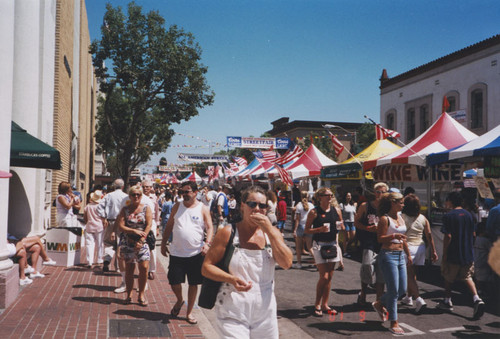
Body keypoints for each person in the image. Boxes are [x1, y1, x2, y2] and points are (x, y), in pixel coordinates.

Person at [201, 185, 292, 338]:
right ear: (242, 206)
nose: (257, 209)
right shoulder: (228, 232)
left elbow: (286, 263)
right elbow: (206, 267)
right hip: (232, 307)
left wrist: (269, 230)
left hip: (265, 310)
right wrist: (231, 278)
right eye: (252, 204)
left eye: (262, 206)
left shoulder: (272, 234)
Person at [160, 181, 214, 324]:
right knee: (174, 282)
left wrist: (207, 244)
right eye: (182, 192)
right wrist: (163, 242)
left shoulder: (202, 208)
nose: (184, 194)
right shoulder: (177, 206)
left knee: (193, 284)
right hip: (177, 252)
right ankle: (179, 300)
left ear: (195, 192)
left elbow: (209, 227)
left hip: (195, 253)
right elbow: (169, 225)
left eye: (187, 191)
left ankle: (189, 313)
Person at [437, 191, 485, 319]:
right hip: (467, 252)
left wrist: (445, 253)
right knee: (467, 276)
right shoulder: (469, 215)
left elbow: (448, 236)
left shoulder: (449, 216)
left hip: (453, 252)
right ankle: (476, 298)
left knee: (448, 276)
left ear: (450, 201)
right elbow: (473, 235)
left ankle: (447, 300)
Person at [372, 192, 410, 335]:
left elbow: (404, 239)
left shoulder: (400, 217)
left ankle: (380, 302)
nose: (403, 204)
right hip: (388, 255)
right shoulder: (384, 219)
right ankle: (394, 322)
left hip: (400, 255)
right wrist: (394, 235)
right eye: (400, 202)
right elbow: (380, 238)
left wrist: (407, 254)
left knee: (402, 289)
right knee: (394, 291)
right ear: (393, 203)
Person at [305, 187, 344, 317]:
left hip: (332, 244)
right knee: (324, 276)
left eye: (331, 195)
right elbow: (307, 230)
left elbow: (340, 226)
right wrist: (319, 230)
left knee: (330, 277)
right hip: (319, 245)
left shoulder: (336, 210)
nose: (330, 197)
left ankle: (325, 304)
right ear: (320, 197)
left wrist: (341, 227)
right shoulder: (314, 212)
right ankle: (317, 303)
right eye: (327, 195)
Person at [400, 193, 438, 313]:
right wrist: (433, 251)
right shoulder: (423, 218)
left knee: (409, 275)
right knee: (413, 273)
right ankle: (408, 297)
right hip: (421, 247)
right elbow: (429, 236)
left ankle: (418, 299)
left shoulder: (402, 217)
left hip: (408, 248)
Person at [116, 185, 152, 306]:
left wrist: (141, 240)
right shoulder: (125, 209)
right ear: (129, 196)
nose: (136, 196)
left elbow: (148, 225)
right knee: (129, 269)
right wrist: (133, 231)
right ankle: (129, 294)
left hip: (143, 242)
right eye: (133, 194)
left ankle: (141, 294)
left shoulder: (146, 208)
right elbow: (120, 226)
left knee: (144, 268)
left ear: (141, 196)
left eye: (138, 194)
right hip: (128, 242)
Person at [354, 182, 388, 305]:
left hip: (383, 242)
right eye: (378, 191)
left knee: (381, 271)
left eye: (383, 192)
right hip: (369, 242)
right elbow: (356, 222)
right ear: (374, 193)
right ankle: (363, 291)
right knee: (367, 266)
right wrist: (367, 228)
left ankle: (379, 299)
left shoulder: (388, 208)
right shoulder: (365, 206)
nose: (380, 194)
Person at [97, 178, 128, 292]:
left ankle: (107, 259)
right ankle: (118, 267)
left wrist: (103, 217)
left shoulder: (108, 196)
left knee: (109, 243)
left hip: (110, 221)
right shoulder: (125, 197)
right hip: (122, 222)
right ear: (123, 186)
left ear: (114, 186)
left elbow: (99, 207)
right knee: (120, 243)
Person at [142, 180, 160, 280]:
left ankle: (152, 270)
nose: (146, 189)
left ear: (151, 188)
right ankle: (143, 268)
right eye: (144, 187)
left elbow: (157, 213)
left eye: (148, 187)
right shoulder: (138, 196)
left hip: (152, 222)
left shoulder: (154, 198)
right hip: (141, 223)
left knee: (152, 246)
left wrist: (157, 227)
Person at [292, 191, 314, 269]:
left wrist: (295, 230)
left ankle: (299, 263)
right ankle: (318, 262)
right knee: (309, 247)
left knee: (298, 246)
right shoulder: (311, 205)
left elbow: (297, 219)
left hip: (301, 226)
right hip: (309, 226)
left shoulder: (299, 206)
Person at [83, 190, 105, 268]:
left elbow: (85, 217)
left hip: (89, 226)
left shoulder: (88, 206)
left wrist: (87, 222)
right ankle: (99, 260)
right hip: (99, 226)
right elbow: (103, 217)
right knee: (100, 244)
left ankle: (89, 261)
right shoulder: (100, 206)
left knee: (89, 244)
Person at [340, 191, 357, 258]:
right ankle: (345, 251)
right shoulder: (342, 205)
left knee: (353, 236)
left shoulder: (353, 205)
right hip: (345, 222)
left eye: (350, 196)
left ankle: (347, 247)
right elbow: (340, 214)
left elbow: (355, 214)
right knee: (346, 237)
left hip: (352, 222)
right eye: (347, 196)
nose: (349, 197)